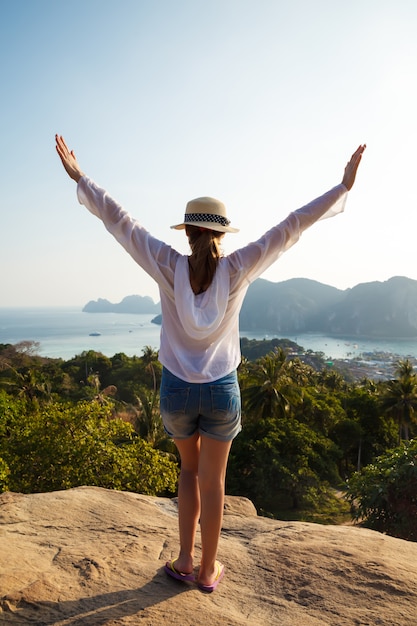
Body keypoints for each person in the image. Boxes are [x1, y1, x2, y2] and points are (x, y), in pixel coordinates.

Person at [55, 134, 365, 592]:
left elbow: (122, 223)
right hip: (222, 389)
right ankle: (207, 570)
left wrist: (82, 177)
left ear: (189, 232)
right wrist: (342, 188)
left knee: (188, 471)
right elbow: (292, 225)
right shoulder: (239, 266)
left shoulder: (165, 263)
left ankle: (183, 561)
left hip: (177, 390)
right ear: (220, 233)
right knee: (213, 479)